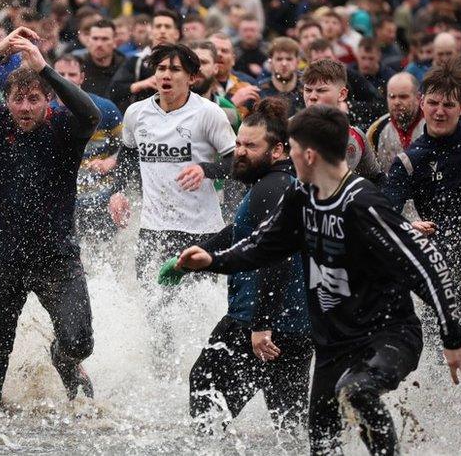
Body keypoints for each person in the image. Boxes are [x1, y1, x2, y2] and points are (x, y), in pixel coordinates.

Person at [176, 105, 461, 455]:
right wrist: (213, 260)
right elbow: (264, 246)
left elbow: (426, 265)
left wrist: (453, 336)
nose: (287, 158)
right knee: (321, 445)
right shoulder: (301, 196)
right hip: (332, 343)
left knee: (356, 391)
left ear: (309, 154)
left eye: (290, 149)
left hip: (386, 335)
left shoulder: (364, 204)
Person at [0, 27, 100, 413]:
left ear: (48, 101)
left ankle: (63, 360)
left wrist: (45, 69)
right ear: (8, 101)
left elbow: (91, 113)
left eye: (34, 99)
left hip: (58, 258)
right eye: (18, 100)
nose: (26, 108)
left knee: (79, 341)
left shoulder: (64, 128)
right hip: (5, 259)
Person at [189, 98, 312, 434]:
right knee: (290, 428)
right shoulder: (280, 184)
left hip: (259, 325)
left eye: (250, 146)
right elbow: (241, 230)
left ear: (278, 150)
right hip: (296, 327)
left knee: (204, 394)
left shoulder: (272, 188)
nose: (239, 152)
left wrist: (261, 326)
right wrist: (199, 254)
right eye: (238, 143)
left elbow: (279, 255)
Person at [108, 43, 235, 364]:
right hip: (154, 229)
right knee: (155, 311)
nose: (166, 75)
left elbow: (239, 164)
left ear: (192, 77)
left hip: (202, 232)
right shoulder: (137, 113)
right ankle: (162, 377)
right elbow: (127, 154)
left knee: (200, 314)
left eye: (175, 70)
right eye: (161, 69)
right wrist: (119, 190)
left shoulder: (208, 114)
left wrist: (206, 169)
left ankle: (196, 370)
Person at [384, 59, 461, 348]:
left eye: (448, 105)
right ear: (422, 104)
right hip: (444, 269)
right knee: (439, 354)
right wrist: (407, 227)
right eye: (432, 103)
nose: (439, 111)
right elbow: (382, 219)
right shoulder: (410, 161)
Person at [52, 54, 123, 243]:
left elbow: (128, 148)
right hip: (62, 204)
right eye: (60, 74)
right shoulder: (43, 112)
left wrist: (111, 160)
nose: (66, 79)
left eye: (71, 74)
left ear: (82, 78)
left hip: (100, 199)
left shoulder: (106, 109)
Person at [300, 59, 383, 183]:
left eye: (321, 90)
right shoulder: (287, 130)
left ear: (342, 94)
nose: (312, 97)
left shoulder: (356, 137)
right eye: (307, 90)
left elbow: (377, 179)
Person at [366, 72, 424, 174]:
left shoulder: (432, 125)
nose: (396, 102)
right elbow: (370, 174)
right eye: (392, 97)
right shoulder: (376, 130)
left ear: (418, 98)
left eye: (403, 97)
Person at [257, 37, 304, 116]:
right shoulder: (260, 91)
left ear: (297, 62)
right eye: (279, 59)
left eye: (289, 59)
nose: (284, 63)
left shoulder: (307, 89)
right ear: (270, 62)